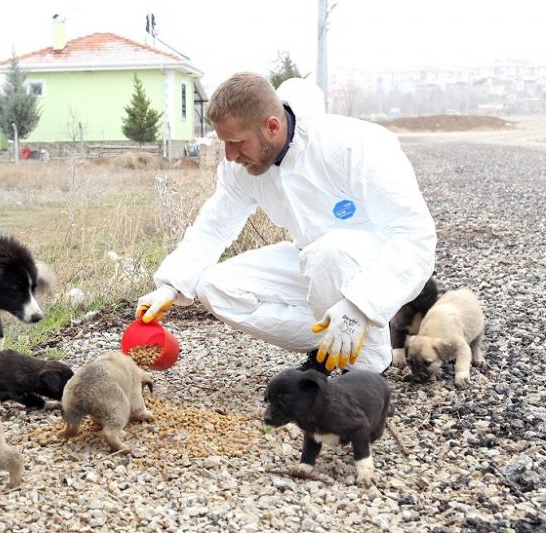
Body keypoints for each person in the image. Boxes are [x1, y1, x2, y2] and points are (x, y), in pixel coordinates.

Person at [136, 73, 436, 374]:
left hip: (377, 265)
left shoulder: (354, 145)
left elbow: (414, 236)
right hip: (312, 258)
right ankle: (332, 342)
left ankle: (364, 375)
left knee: (330, 253)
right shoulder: (240, 167)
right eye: (224, 143)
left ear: (272, 126)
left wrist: (361, 304)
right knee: (215, 288)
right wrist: (171, 286)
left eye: (237, 142)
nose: (229, 155)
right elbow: (214, 226)